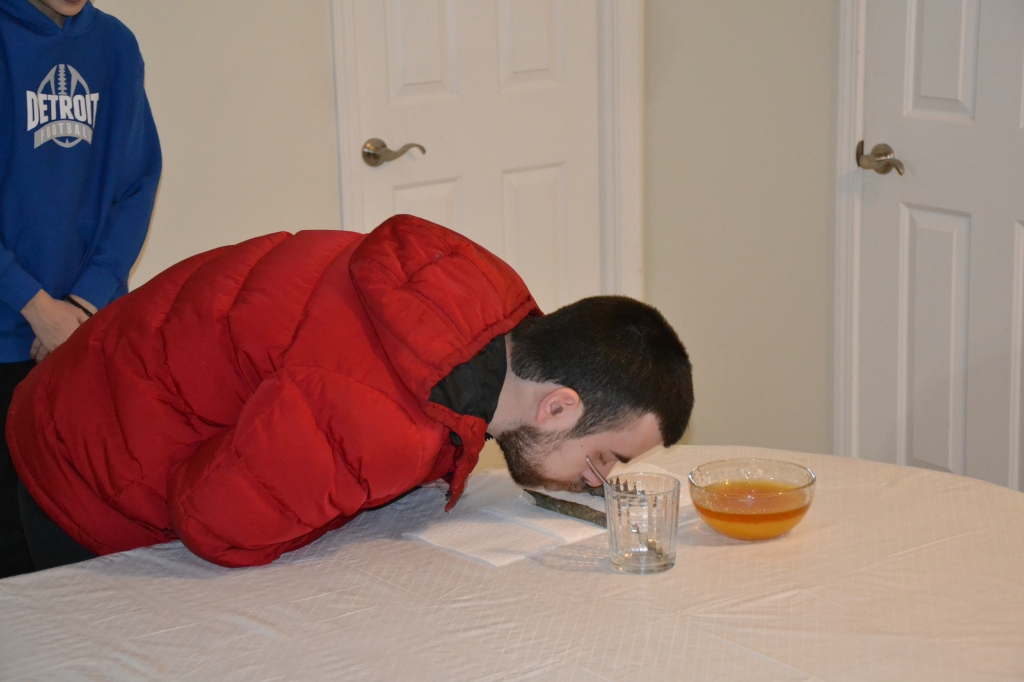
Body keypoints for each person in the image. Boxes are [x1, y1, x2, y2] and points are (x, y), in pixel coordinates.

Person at [8, 215, 693, 570]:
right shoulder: (380, 421)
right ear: (558, 405)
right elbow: (213, 526)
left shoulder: (492, 301)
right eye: (605, 458)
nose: (600, 480)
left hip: (101, 375)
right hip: (77, 461)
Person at [0, 0, 162, 578]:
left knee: (81, 534)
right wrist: (36, 306)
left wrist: (82, 304)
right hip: (11, 333)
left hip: (85, 332)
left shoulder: (114, 45)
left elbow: (137, 186)